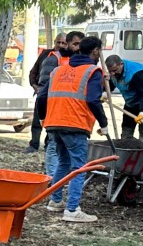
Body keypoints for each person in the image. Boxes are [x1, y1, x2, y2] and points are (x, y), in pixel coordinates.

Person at [43, 35, 108, 223]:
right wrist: (103, 124)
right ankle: (72, 209)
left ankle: (55, 201)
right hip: (75, 124)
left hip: (54, 123)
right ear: (95, 51)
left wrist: (42, 117)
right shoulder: (92, 71)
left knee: (63, 162)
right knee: (79, 167)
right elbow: (93, 100)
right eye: (99, 51)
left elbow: (41, 97)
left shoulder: (59, 70)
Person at [26, 31, 86, 153]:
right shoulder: (46, 54)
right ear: (54, 42)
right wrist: (35, 86)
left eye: (64, 43)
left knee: (51, 123)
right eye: (58, 42)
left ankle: (49, 145)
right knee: (37, 120)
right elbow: (34, 71)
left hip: (56, 95)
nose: (61, 45)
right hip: (42, 92)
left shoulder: (70, 58)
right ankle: (34, 144)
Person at [104, 54, 143, 142]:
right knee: (127, 126)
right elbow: (113, 82)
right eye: (110, 71)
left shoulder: (135, 74)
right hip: (131, 99)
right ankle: (126, 144)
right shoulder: (114, 72)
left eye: (114, 70)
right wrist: (105, 92)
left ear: (121, 64)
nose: (112, 73)